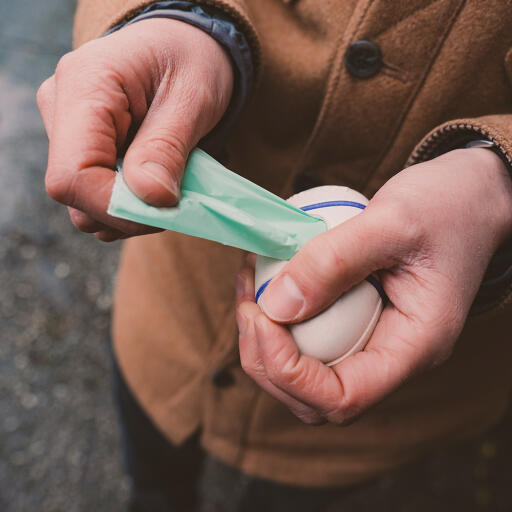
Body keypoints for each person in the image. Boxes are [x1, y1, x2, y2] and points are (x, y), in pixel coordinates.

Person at [37, 1, 512, 510]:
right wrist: (173, 20)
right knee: (152, 478)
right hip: (170, 316)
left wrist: (498, 184)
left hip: (390, 420)